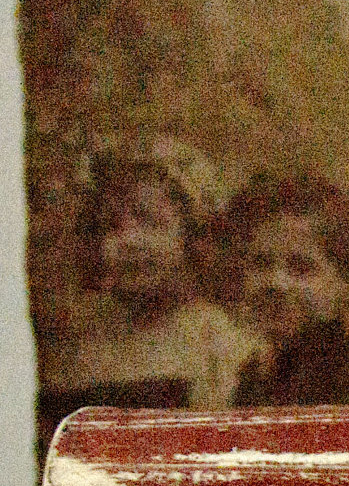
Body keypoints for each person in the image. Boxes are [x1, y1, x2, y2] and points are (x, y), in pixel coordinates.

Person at [37, 135, 257, 411]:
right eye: (111, 226)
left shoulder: (220, 342)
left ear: (193, 237)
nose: (127, 241)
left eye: (150, 222)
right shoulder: (84, 338)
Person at [220, 172, 349, 407]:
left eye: (301, 268)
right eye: (261, 263)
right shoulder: (257, 374)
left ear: (346, 284)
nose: (275, 282)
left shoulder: (339, 383)